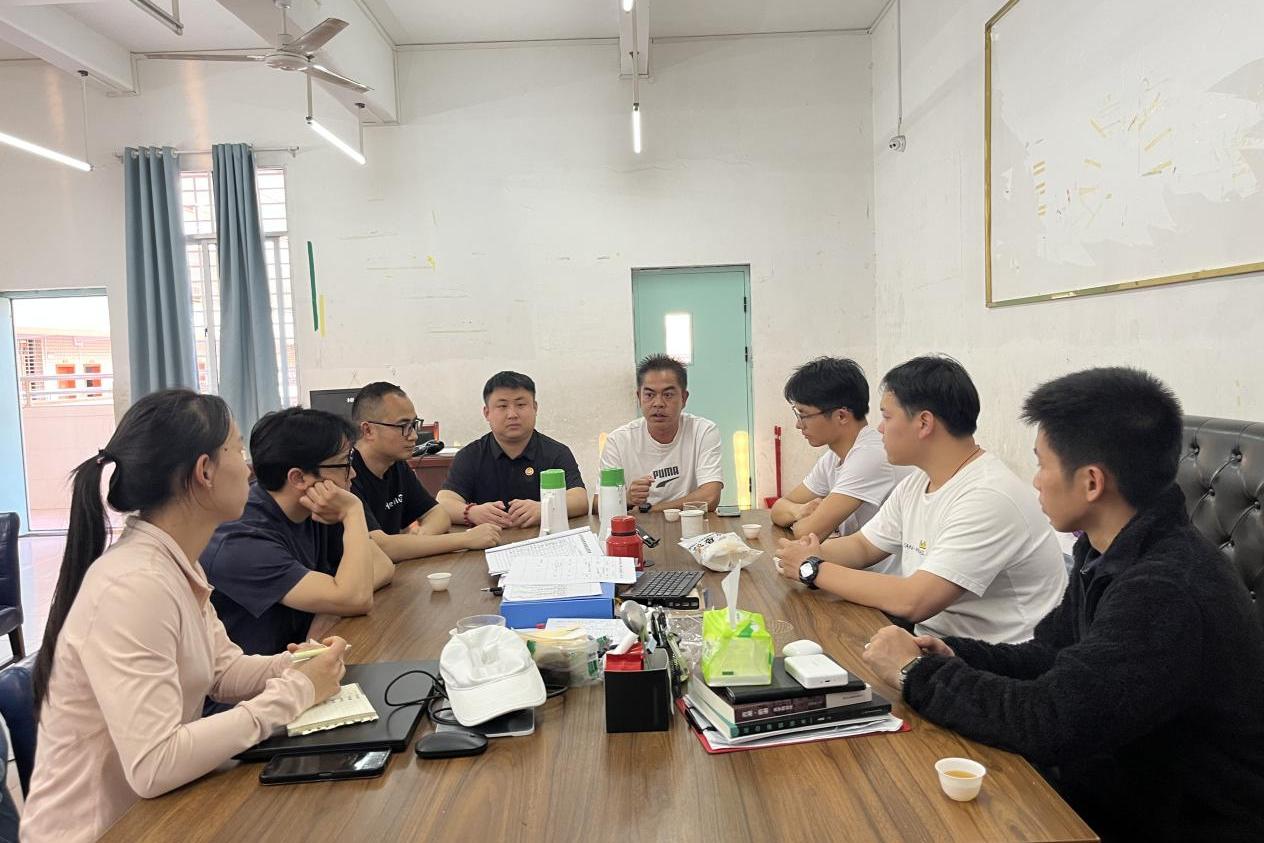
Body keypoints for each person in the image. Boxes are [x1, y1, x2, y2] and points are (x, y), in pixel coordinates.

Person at [861, 367, 1264, 842]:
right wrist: (955, 655)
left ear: (1091, 482)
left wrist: (916, 673)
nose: (1035, 482)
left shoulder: (1166, 590)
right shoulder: (1107, 547)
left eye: (1042, 465)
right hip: (1111, 784)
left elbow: (1050, 721)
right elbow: (1051, 654)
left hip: (1175, 819)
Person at [22, 390, 345, 843]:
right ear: (204, 471)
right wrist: (297, 692)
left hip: (160, 813)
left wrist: (297, 665)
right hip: (105, 830)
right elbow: (154, 764)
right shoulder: (135, 585)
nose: (248, 468)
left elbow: (221, 671)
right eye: (237, 450)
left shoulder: (176, 561)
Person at [777, 355, 1066, 644]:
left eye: (887, 417)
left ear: (924, 422)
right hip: (934, 641)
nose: (880, 429)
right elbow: (863, 546)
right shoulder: (917, 483)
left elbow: (914, 600)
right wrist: (807, 553)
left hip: (996, 657)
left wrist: (813, 568)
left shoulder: (988, 496)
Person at [201, 407, 394, 657]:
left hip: (305, 660)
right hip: (258, 676)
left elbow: (382, 564)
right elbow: (356, 598)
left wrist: (329, 607)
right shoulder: (239, 538)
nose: (353, 474)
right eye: (345, 463)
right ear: (299, 478)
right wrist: (353, 512)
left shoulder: (317, 507)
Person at [350, 382, 501, 558]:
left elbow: (438, 514)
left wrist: (419, 540)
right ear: (368, 430)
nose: (414, 436)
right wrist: (466, 539)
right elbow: (380, 547)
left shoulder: (395, 465)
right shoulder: (345, 474)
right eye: (403, 426)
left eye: (414, 425)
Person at [770, 357, 902, 554]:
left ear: (841, 416)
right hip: (853, 565)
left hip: (875, 571)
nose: (798, 425)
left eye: (803, 415)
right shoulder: (833, 457)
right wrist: (799, 511)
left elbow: (807, 532)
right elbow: (777, 510)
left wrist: (801, 519)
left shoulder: (870, 455)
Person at [437, 372, 588, 529]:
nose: (512, 414)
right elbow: (444, 502)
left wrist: (545, 509)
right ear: (487, 413)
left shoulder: (556, 453)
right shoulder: (469, 456)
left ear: (535, 407)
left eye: (520, 405)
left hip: (542, 538)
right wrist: (472, 512)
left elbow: (579, 499)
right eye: (502, 406)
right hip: (487, 540)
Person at [600, 354, 724, 512]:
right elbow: (598, 504)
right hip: (638, 526)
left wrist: (650, 510)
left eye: (668, 395)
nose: (658, 403)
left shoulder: (703, 431)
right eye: (649, 395)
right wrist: (626, 498)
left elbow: (710, 497)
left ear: (684, 398)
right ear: (639, 398)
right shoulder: (618, 441)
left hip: (689, 523)